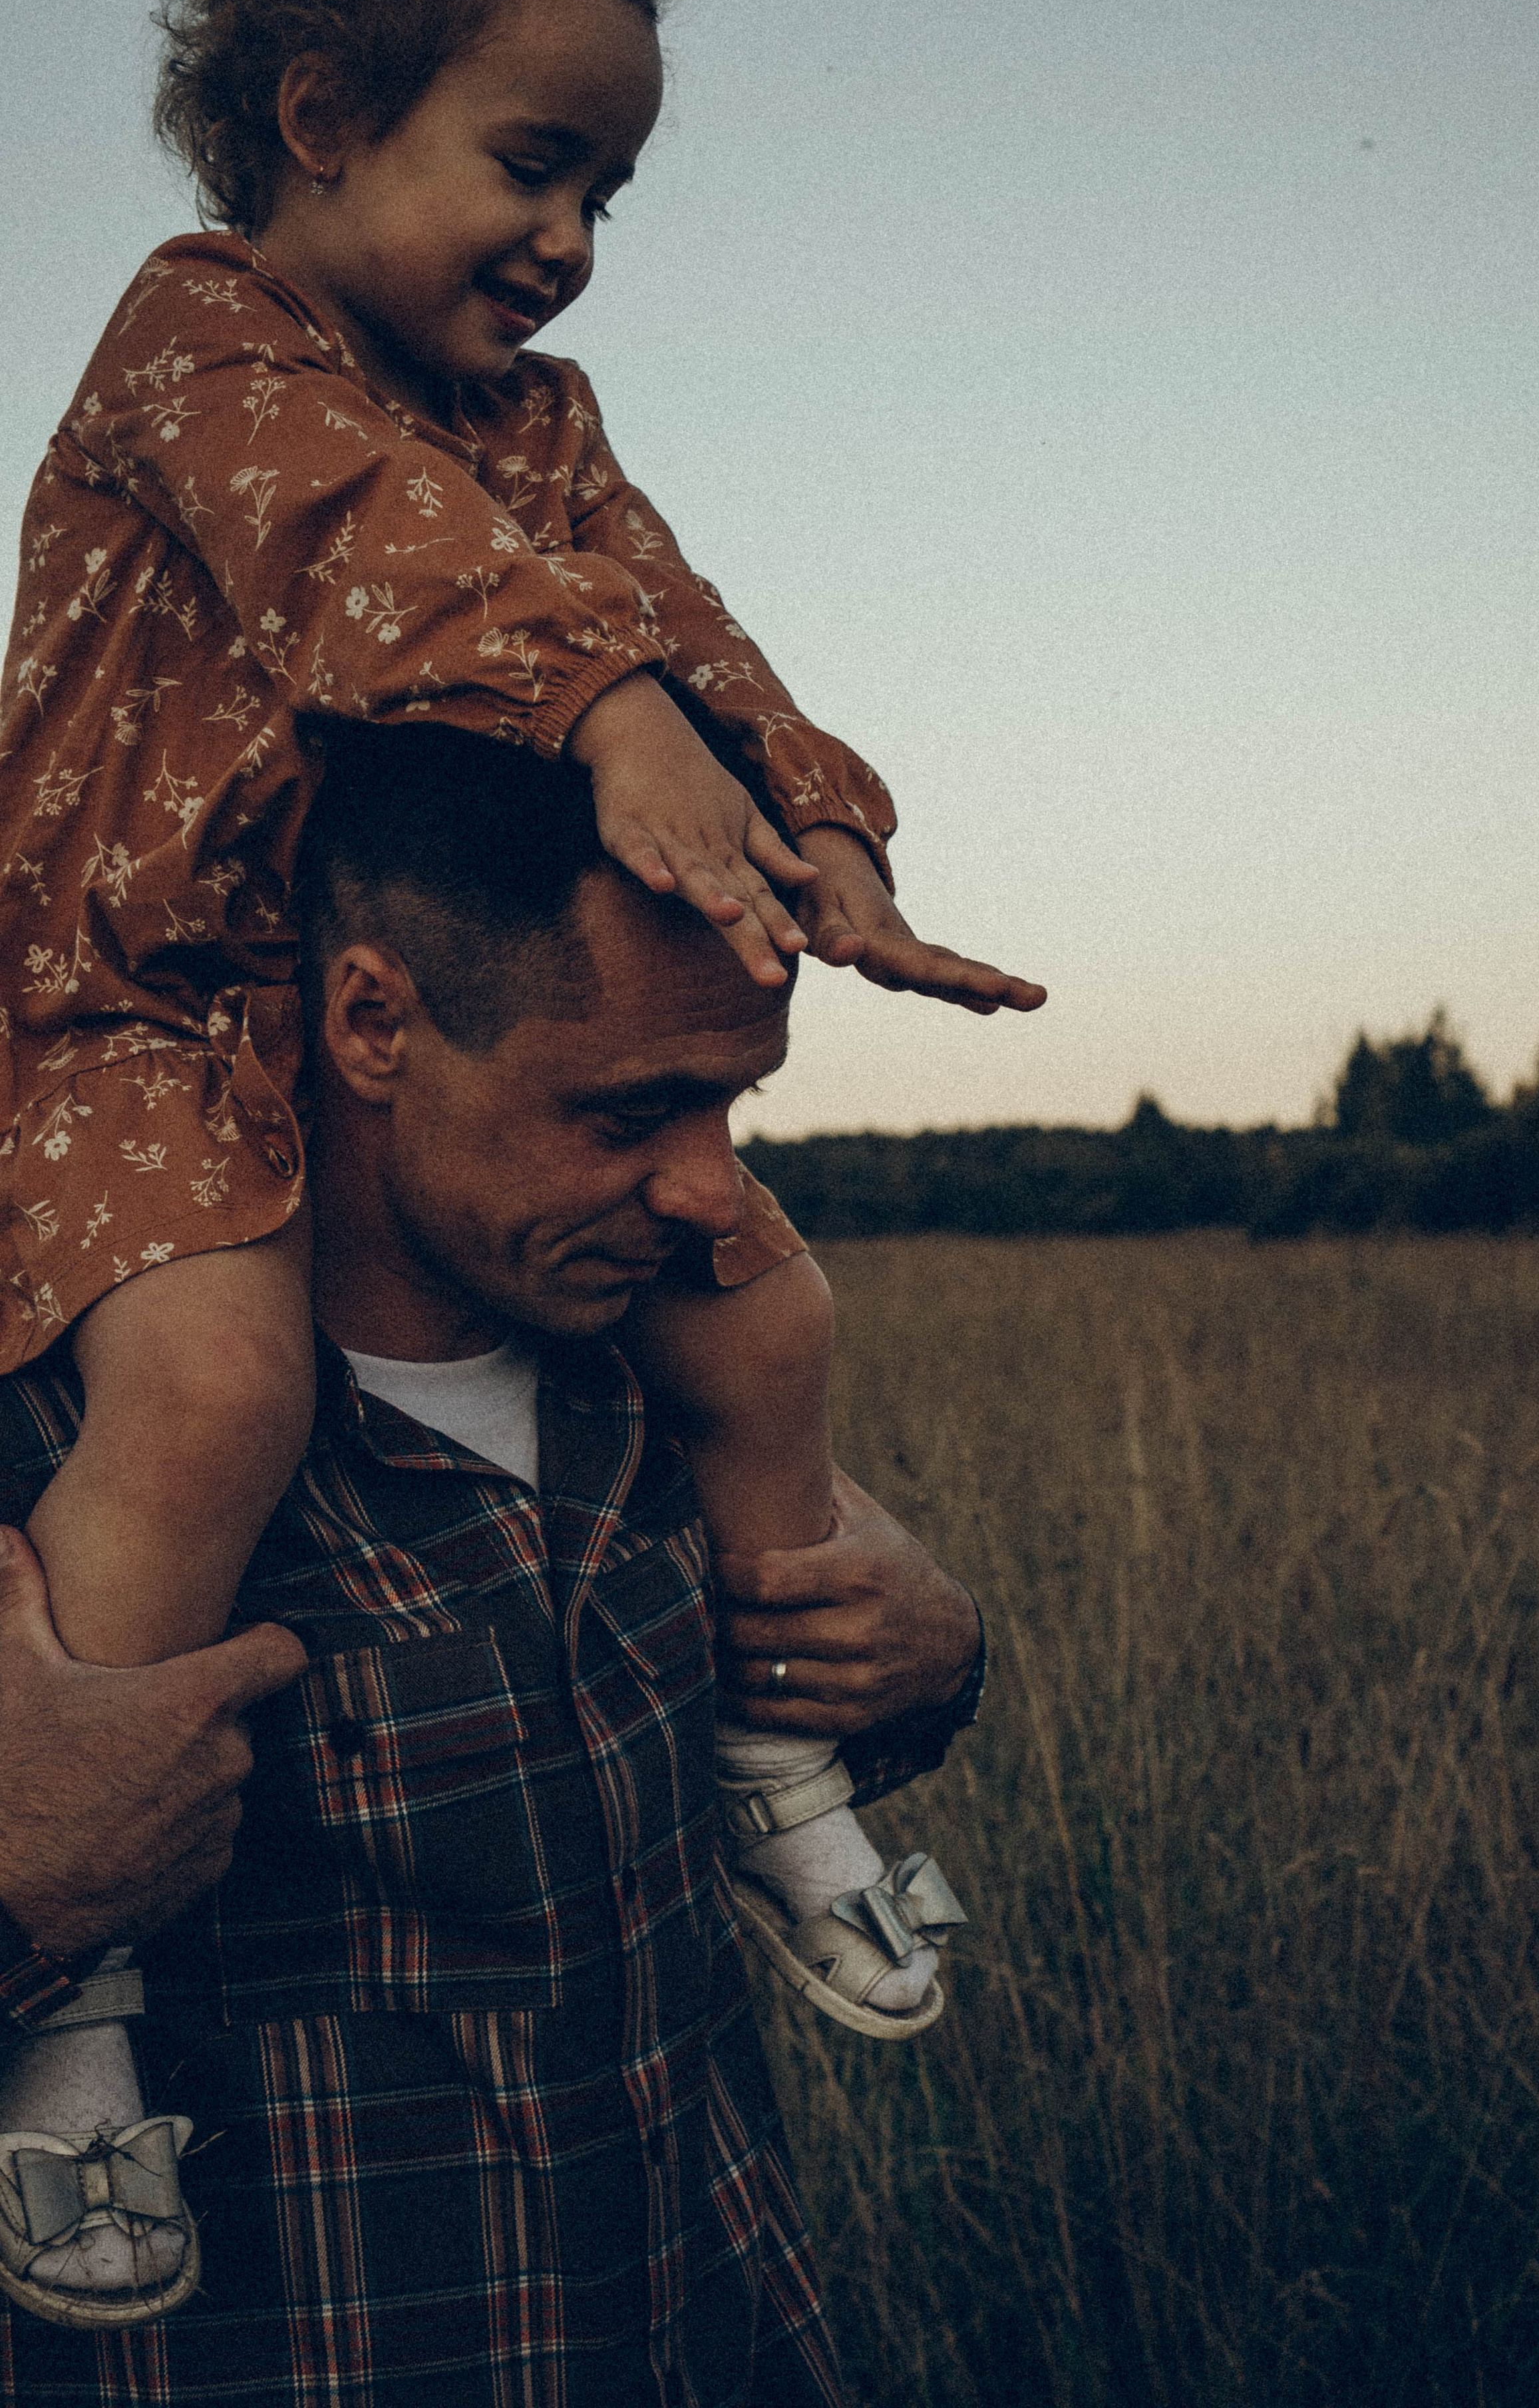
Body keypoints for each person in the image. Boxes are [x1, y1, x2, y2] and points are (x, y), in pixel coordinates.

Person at [0, 0, 1042, 2314]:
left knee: (768, 1317)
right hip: (130, 1003)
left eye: (612, 187)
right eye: (535, 162)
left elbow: (688, 630)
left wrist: (832, 837)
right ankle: (71, 2014)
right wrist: (591, 716)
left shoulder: (535, 431)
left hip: (679, 2314)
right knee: (217, 1386)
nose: (575, 237)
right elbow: (378, 556)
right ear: (323, 114)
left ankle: (778, 1772)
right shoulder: (200, 343)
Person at [0, 723, 986, 2402]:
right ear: (374, 1020)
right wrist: (20, 1886)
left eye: (733, 1102)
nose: (707, 1187)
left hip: (712, 2341)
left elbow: (709, 1779)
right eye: (630, 1110)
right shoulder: (59, 1452)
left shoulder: (650, 1381)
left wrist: (929, 1658)